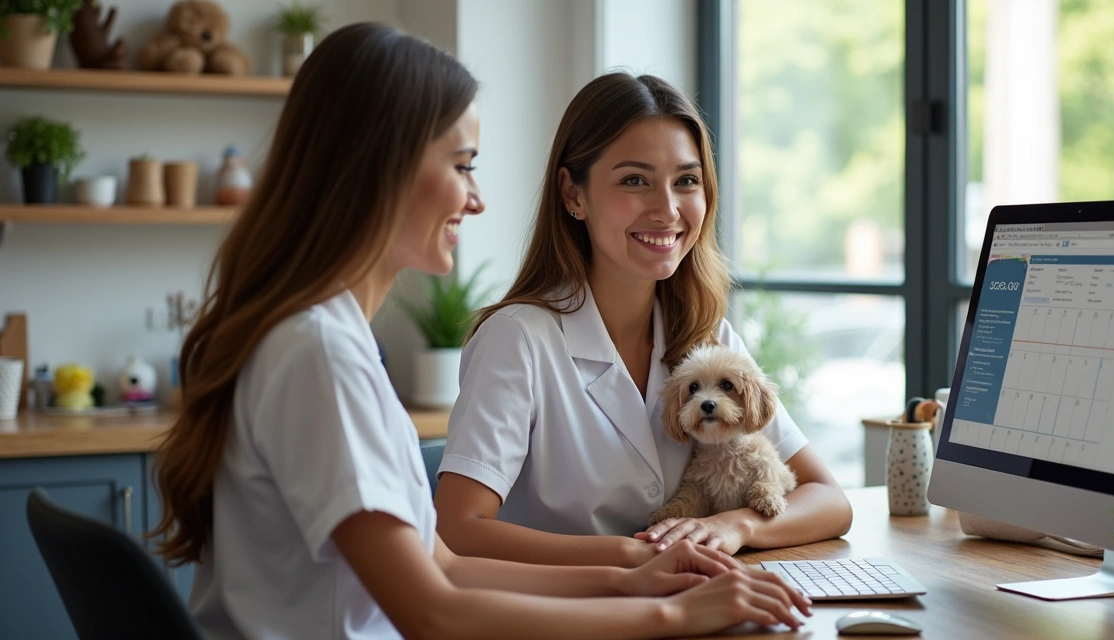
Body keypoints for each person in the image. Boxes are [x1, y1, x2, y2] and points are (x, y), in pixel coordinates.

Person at [150, 23, 810, 640]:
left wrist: (633, 577)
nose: (476, 198)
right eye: (462, 165)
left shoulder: (331, 339)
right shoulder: (318, 352)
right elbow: (432, 611)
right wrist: (668, 613)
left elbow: (442, 563)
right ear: (380, 169)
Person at [434, 73, 854, 568]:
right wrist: (636, 557)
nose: (667, 210)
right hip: (569, 608)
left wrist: (734, 525)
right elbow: (457, 530)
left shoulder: (708, 336)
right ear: (573, 194)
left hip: (683, 599)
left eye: (687, 181)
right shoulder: (518, 339)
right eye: (635, 180)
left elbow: (829, 500)